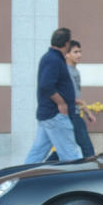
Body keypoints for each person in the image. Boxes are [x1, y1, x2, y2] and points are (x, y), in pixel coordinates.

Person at [25, 28, 82, 164]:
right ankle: (76, 183)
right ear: (66, 43)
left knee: (37, 154)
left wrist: (70, 100)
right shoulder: (53, 59)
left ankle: (23, 178)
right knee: (71, 155)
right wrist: (61, 103)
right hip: (56, 115)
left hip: (47, 115)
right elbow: (46, 85)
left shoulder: (50, 58)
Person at [66, 40, 96, 157]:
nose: (79, 55)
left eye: (80, 52)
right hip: (72, 114)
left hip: (74, 112)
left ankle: (45, 166)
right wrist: (88, 112)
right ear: (67, 54)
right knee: (87, 148)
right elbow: (72, 97)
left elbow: (77, 95)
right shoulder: (67, 71)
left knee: (64, 147)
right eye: (75, 52)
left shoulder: (75, 71)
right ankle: (92, 173)